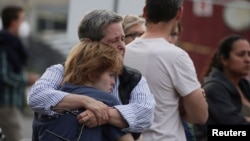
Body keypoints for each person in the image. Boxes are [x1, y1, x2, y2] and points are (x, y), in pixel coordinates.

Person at [28, 9, 155, 141]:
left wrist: (101, 115)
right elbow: (36, 96)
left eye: (123, 39)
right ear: (89, 44)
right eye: (114, 41)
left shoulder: (132, 78)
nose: (122, 46)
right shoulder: (60, 71)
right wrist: (86, 101)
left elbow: (146, 114)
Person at [123, 0, 208, 141]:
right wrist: (180, 105)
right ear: (179, 13)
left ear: (145, 12)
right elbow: (200, 115)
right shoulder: (177, 56)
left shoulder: (123, 53)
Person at [33, 41, 133, 141]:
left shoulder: (46, 103)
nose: (113, 82)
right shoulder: (106, 100)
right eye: (111, 75)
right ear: (92, 75)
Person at [194, 35, 250, 141]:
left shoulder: (244, 85)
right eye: (241, 54)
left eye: (249, 54)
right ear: (224, 59)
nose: (247, 59)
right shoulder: (214, 89)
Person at [0, 5, 37, 141]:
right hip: (5, 104)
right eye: (22, 19)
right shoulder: (4, 43)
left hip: (12, 103)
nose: (24, 23)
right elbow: (4, 75)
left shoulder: (14, 43)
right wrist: (26, 79)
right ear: (13, 21)